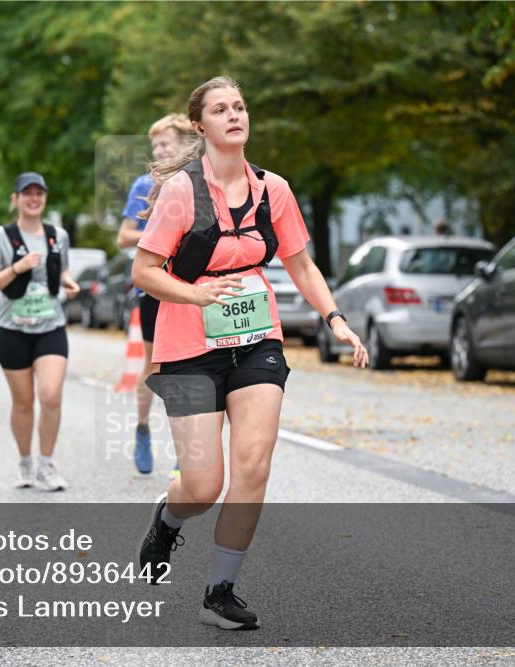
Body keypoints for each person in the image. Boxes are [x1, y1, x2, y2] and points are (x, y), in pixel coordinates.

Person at [132, 76, 369, 630]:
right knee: (203, 486)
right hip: (188, 344)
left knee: (254, 465)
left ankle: (220, 592)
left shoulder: (273, 189)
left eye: (239, 106)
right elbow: (144, 271)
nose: (234, 115)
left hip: (257, 338)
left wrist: (335, 318)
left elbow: (300, 264)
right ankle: (168, 519)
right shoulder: (182, 192)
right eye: (220, 109)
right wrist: (194, 293)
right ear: (200, 126)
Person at [0, 172, 80, 491]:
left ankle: (46, 465)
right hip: (12, 330)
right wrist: (16, 268)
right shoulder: (1, 236)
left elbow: (61, 270)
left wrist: (68, 282)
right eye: (27, 193)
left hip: (51, 327)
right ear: (16, 199)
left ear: (45, 198)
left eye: (39, 193)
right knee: (23, 402)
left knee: (51, 395)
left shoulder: (57, 235)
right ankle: (25, 461)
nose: (34, 199)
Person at [117, 113, 196, 477]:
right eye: (155, 146)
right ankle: (143, 429)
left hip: (190, 285)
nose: (159, 151)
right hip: (153, 284)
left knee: (190, 364)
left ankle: (185, 446)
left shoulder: (199, 179)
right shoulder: (144, 184)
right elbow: (124, 236)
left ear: (185, 145)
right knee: (155, 364)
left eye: (165, 144)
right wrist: (162, 234)